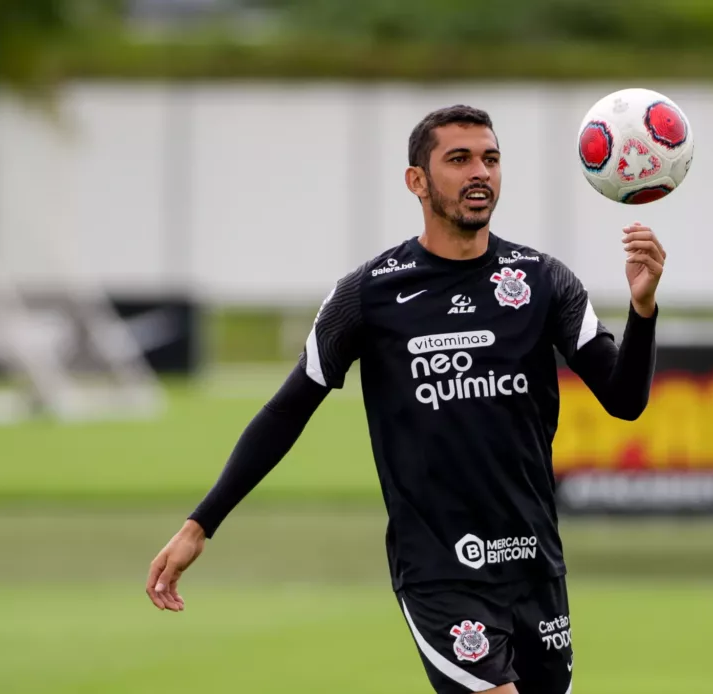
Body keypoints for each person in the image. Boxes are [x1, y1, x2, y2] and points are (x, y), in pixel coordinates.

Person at [146, 104, 664, 694]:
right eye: (459, 159)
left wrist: (643, 310)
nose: (480, 173)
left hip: (534, 565)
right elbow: (286, 412)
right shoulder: (368, 294)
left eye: (490, 159)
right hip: (440, 573)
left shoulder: (545, 282)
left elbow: (625, 401)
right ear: (417, 180)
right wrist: (200, 524)